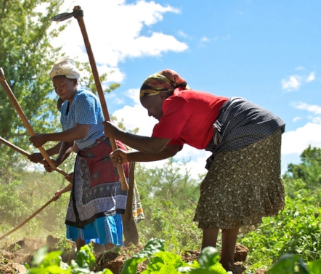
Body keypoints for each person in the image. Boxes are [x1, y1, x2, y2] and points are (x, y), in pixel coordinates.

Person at [101, 69, 286, 266]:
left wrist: (117, 133)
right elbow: (167, 150)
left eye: (149, 106)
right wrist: (129, 156)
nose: (149, 114)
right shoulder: (176, 112)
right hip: (262, 128)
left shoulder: (177, 101)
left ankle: (207, 263)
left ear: (162, 95)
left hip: (248, 127)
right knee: (231, 197)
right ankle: (225, 263)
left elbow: (154, 145)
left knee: (214, 193)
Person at [26, 57, 135, 252]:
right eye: (55, 87)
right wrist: (52, 161)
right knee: (81, 202)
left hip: (107, 154)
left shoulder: (85, 98)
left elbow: (81, 133)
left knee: (102, 204)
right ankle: (84, 252)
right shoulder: (66, 106)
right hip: (88, 157)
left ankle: (107, 252)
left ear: (75, 82)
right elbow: (68, 142)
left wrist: (47, 137)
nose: (59, 89)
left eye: (62, 85)